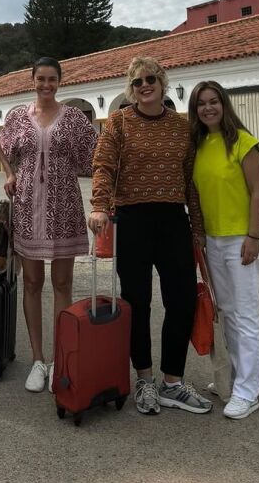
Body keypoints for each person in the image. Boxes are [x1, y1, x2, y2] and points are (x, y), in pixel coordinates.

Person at [88, 56, 212, 417]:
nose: (145, 85)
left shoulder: (182, 126)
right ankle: (144, 379)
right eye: (138, 81)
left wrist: (198, 228)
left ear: (162, 83)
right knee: (136, 301)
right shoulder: (119, 122)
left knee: (183, 300)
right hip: (133, 219)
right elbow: (104, 166)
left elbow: (191, 181)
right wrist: (98, 206)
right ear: (132, 88)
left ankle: (171, 382)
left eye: (151, 79)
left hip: (173, 219)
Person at [0, 57, 97, 393]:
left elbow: (92, 156)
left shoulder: (73, 119)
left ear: (59, 81)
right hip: (27, 206)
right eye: (41, 78)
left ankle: (60, 359)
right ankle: (38, 360)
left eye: (52, 79)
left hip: (64, 205)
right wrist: (10, 175)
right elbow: (2, 146)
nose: (46, 85)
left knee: (63, 282)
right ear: (32, 79)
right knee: (32, 282)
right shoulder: (17, 117)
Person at [189, 80, 259, 420]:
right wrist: (201, 235)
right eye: (201, 103)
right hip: (213, 242)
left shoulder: (243, 143)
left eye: (214, 101)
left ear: (224, 104)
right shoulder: (200, 145)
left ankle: (248, 392)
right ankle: (235, 381)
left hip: (240, 241)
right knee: (227, 314)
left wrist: (254, 237)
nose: (208, 108)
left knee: (245, 316)